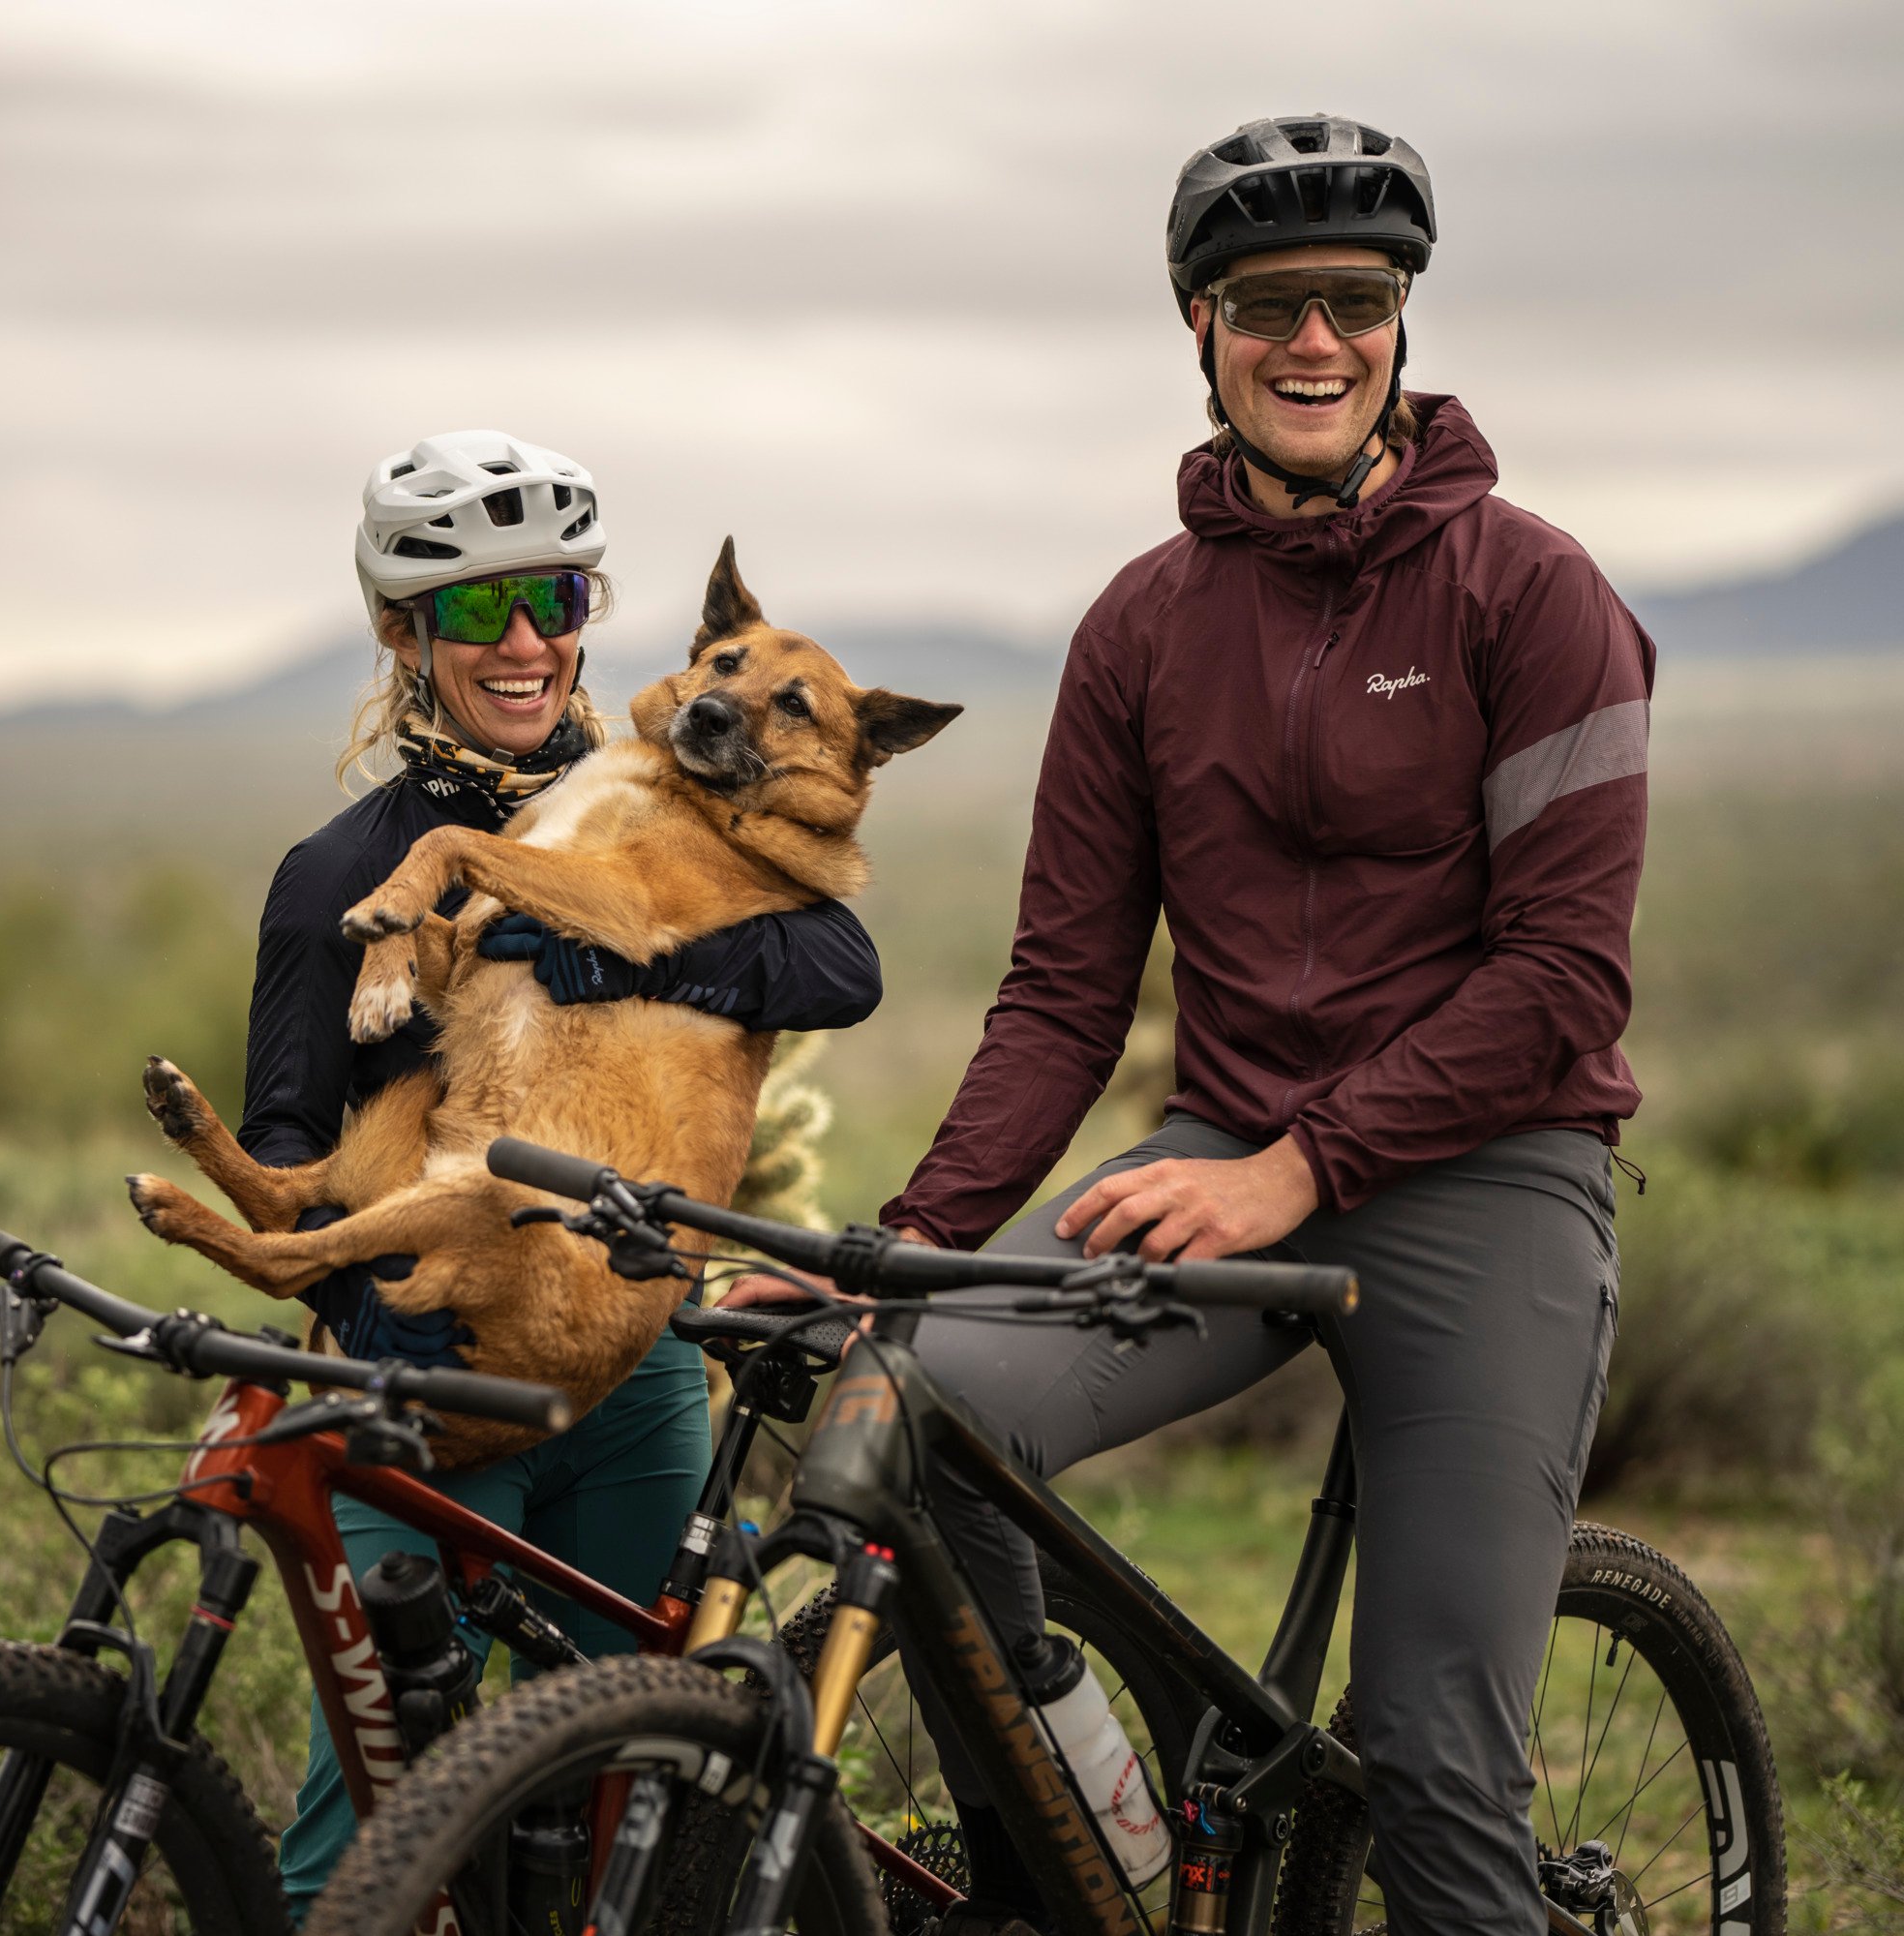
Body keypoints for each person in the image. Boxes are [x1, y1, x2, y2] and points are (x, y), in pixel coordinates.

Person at [824, 117, 1648, 1935]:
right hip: (1230, 1161)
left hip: (1491, 1175)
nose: (1316, 342)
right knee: (914, 1406)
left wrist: (1306, 1165)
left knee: (1438, 1767)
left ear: (1403, 322)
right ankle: (1083, 1834)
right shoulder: (1139, 627)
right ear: (1201, 325)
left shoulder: (1537, 592)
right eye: (1270, 304)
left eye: (1355, 300)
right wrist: (912, 1246)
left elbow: (1565, 981)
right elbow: (1061, 996)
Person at [244, 429, 883, 1916]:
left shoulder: (666, 795)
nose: (528, 642)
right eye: (478, 610)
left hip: (638, 1356)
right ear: (404, 634)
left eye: (559, 598)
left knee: (633, 1772)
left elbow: (835, 958)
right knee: (376, 1802)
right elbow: (286, 1132)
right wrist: (355, 1303)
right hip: (427, 1360)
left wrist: (617, 942)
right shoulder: (343, 869)